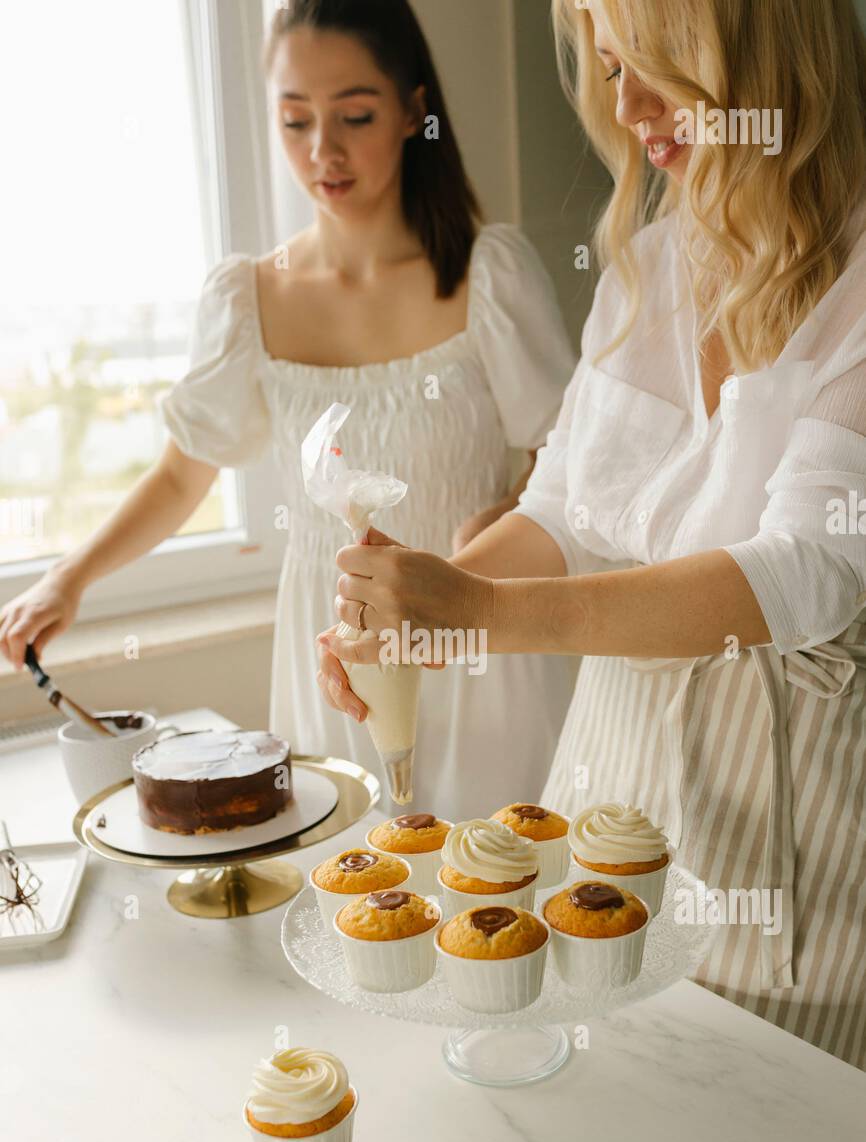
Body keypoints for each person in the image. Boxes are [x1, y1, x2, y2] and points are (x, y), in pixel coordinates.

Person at [318, 0, 866, 1142]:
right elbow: (564, 510)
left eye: (656, 70)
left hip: (786, 838)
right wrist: (429, 601)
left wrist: (485, 615)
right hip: (605, 795)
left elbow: (804, 572)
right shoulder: (657, 260)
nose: (624, 113)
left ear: (762, 58)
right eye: (608, 70)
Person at [0, 0, 577, 821]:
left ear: (416, 109)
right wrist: (68, 578)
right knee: (355, 905)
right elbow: (178, 475)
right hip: (331, 660)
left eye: (355, 115)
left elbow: (569, 458)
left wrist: (505, 510)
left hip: (475, 647)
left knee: (496, 908)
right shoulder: (249, 297)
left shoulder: (492, 276)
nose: (322, 152)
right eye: (295, 119)